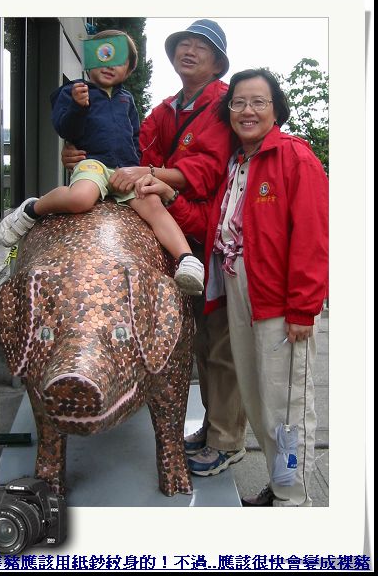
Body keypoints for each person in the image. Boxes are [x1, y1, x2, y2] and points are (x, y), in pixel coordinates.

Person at [134, 68, 328, 506]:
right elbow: (211, 222)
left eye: (258, 102)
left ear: (276, 109)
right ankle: (281, 485)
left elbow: (313, 238)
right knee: (258, 400)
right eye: (238, 102)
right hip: (239, 294)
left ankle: (293, 500)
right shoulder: (237, 163)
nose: (247, 111)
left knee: (287, 406)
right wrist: (169, 196)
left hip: (278, 303)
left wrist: (302, 309)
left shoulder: (294, 157)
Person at [61, 20, 248, 477]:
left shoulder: (222, 103)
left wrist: (144, 172)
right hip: (176, 218)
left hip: (213, 230)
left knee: (220, 340)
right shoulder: (166, 108)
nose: (188, 50)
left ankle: (226, 440)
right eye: (183, 44)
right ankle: (212, 428)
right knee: (195, 337)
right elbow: (131, 149)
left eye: (200, 46)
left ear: (218, 63)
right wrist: (83, 153)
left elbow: (205, 170)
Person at [0, 29, 204, 296]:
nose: (109, 64)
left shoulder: (127, 100)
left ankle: (186, 259)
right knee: (80, 198)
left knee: (153, 204)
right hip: (93, 163)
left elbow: (134, 137)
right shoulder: (74, 91)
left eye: (118, 59)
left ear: (129, 69)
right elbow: (64, 128)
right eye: (102, 55)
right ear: (89, 60)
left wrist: (137, 170)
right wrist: (77, 106)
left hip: (124, 169)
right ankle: (33, 209)